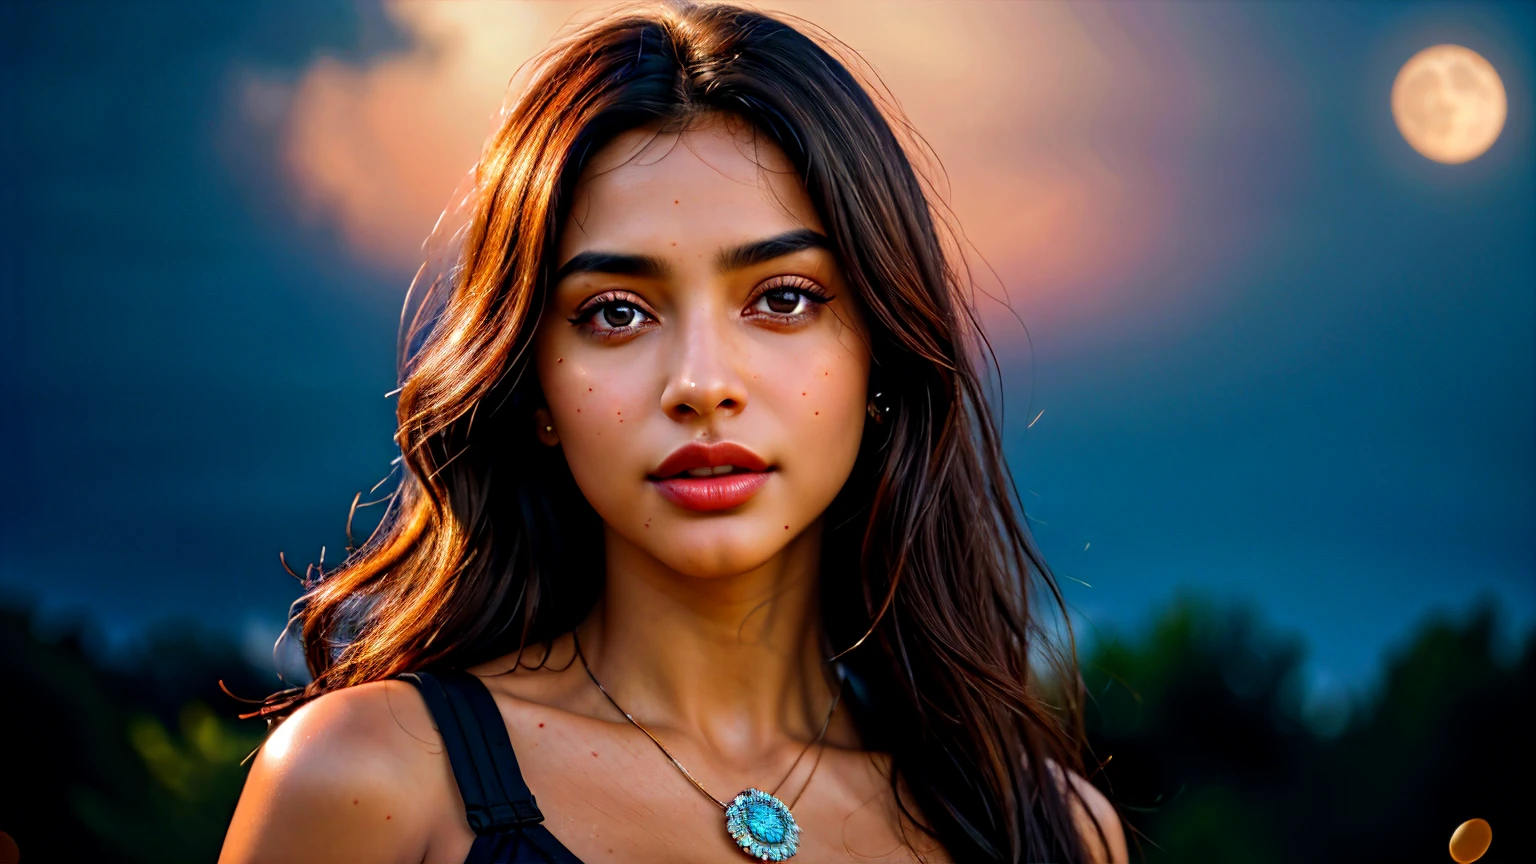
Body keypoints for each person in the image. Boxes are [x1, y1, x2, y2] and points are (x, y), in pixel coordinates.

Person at [220, 2, 1127, 862]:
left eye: (783, 299)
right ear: (532, 383)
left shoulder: (1049, 832)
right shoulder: (371, 781)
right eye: (615, 313)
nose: (700, 385)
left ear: (880, 359)